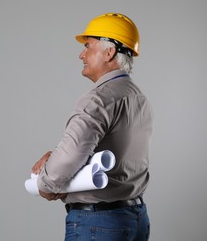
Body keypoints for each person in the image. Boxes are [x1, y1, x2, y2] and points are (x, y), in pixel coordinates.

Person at [31, 13, 153, 240]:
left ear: (110, 52)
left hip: (99, 223)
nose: (81, 54)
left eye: (88, 46)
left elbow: (69, 159)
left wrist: (46, 185)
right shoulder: (138, 97)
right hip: (135, 218)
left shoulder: (99, 100)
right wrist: (56, 155)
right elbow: (118, 157)